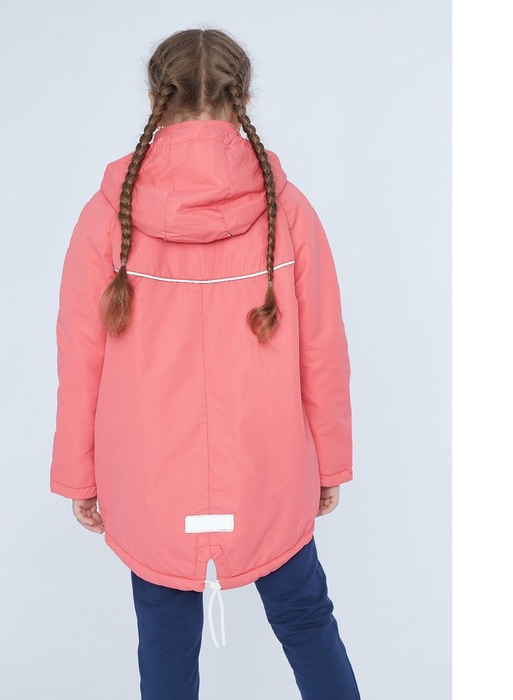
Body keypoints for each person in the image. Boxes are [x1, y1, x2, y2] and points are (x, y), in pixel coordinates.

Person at [50, 27, 361, 700]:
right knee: (307, 620)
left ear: (154, 101)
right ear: (242, 98)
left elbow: (80, 357)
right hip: (270, 471)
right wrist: (329, 462)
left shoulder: (106, 217)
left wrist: (80, 472)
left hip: (148, 479)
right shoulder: (288, 210)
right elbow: (324, 348)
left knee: (163, 642)